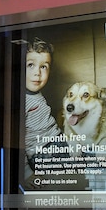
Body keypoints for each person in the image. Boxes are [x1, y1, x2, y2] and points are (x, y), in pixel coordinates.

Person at [23, 37, 62, 178]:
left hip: (56, 141)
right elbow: (16, 142)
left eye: (43, 67)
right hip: (41, 153)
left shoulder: (35, 94)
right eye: (30, 65)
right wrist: (27, 173)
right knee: (93, 155)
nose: (37, 73)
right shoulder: (22, 100)